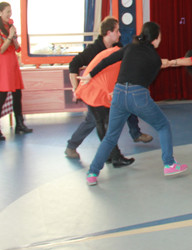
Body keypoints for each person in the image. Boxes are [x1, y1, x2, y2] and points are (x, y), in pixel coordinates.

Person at [81, 22, 187, 186]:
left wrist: (90, 75)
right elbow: (146, 81)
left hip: (118, 93)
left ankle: (92, 173)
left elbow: (108, 60)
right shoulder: (154, 58)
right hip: (138, 95)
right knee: (163, 125)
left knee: (110, 136)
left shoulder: (130, 47)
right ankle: (169, 164)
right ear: (155, 38)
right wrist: (162, 64)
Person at [65, 16, 152, 159]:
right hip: (93, 93)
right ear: (108, 32)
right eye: (117, 31)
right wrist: (75, 88)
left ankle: (134, 135)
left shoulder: (117, 47)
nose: (120, 34)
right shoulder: (94, 50)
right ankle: (73, 147)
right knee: (92, 121)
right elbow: (73, 64)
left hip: (107, 92)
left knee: (126, 106)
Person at [74, 46, 134, 168]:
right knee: (105, 123)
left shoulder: (115, 52)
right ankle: (116, 157)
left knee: (102, 123)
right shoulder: (123, 58)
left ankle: (109, 155)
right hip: (96, 91)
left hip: (91, 89)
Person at [0, 2, 32, 141]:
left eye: (10, 11)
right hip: (3, 64)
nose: (10, 14)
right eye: (7, 11)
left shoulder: (10, 27)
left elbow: (17, 48)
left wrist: (14, 37)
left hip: (12, 62)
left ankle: (19, 124)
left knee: (17, 93)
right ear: (0, 13)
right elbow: (1, 49)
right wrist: (10, 36)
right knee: (1, 96)